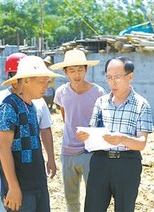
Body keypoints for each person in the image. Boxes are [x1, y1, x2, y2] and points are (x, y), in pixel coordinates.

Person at [0, 52, 58, 212]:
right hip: (21, 186)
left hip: (37, 182)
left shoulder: (31, 105)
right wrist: (13, 187)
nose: (46, 86)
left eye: (47, 81)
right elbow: (4, 149)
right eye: (42, 81)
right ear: (26, 80)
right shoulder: (8, 107)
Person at [77, 56, 153, 211]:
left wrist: (122, 139)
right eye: (109, 77)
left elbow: (141, 142)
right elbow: (92, 130)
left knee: (125, 208)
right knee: (93, 207)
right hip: (100, 162)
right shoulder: (101, 102)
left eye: (117, 77)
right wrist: (85, 136)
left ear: (130, 76)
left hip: (127, 164)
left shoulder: (141, 104)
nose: (113, 82)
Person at [50, 49, 106, 211]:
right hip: (67, 152)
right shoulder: (61, 92)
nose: (77, 74)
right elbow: (65, 116)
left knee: (95, 197)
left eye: (80, 69)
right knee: (71, 199)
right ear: (65, 71)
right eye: (72, 70)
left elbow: (103, 122)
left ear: (86, 69)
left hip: (91, 152)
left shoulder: (98, 92)